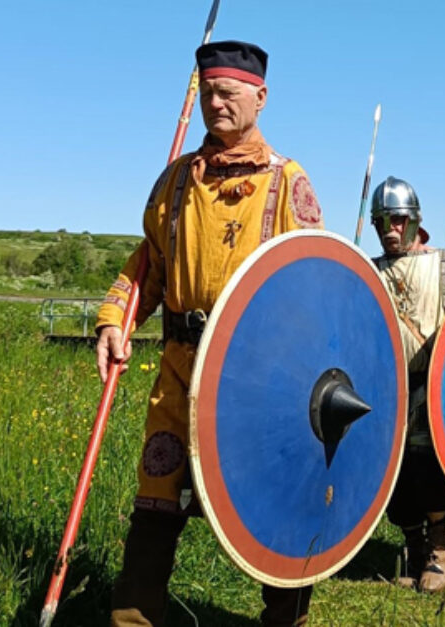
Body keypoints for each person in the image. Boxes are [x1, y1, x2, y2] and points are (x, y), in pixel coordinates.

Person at [95, 41, 324, 627]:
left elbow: (317, 281)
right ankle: (135, 618)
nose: (216, 104)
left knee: (275, 503)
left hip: (259, 379)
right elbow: (149, 264)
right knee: (157, 492)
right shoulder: (174, 182)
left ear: (261, 97)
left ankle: (285, 619)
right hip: (178, 365)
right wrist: (114, 321)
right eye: (209, 93)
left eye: (229, 93)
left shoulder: (287, 183)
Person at [370, 177, 445, 592]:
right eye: (382, 222)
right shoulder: (369, 271)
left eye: (397, 220)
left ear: (413, 222)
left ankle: (438, 552)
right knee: (391, 472)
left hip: (431, 385)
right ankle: (412, 547)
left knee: (425, 466)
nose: (390, 229)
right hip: (386, 387)